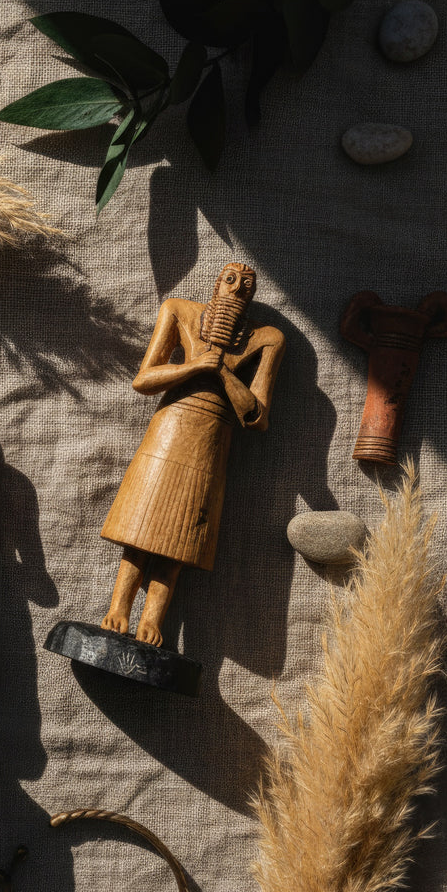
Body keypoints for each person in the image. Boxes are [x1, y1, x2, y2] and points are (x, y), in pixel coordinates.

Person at [100, 262, 284, 648]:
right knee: (141, 525)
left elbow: (258, 416)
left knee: (181, 534)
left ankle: (153, 619)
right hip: (169, 429)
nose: (236, 290)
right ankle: (118, 607)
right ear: (217, 284)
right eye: (230, 280)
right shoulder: (179, 310)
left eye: (245, 285)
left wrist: (225, 373)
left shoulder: (266, 338)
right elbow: (144, 380)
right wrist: (195, 364)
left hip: (213, 440)